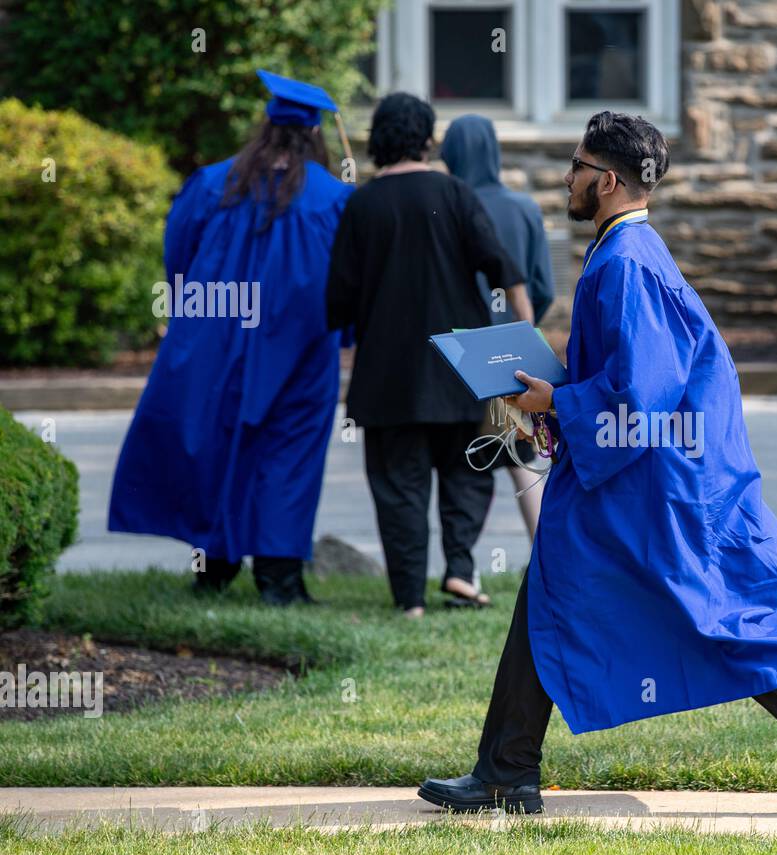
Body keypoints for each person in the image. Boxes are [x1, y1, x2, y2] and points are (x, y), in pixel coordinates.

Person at [417, 111, 777, 816]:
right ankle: (506, 768)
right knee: (583, 596)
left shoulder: (625, 264)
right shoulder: (630, 252)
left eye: (577, 167)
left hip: (649, 484)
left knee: (703, 616)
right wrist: (561, 398)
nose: (567, 179)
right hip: (650, 474)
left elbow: (638, 396)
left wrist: (554, 399)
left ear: (607, 180)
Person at [108, 70, 353, 604]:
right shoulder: (333, 199)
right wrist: (346, 332)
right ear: (316, 135)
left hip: (215, 341)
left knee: (218, 442)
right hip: (301, 348)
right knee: (286, 455)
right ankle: (279, 577)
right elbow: (349, 281)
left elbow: (178, 260)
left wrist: (193, 316)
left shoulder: (212, 183)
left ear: (263, 127)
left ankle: (213, 568)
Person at [326, 94, 533, 615]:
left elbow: (337, 302)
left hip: (388, 374)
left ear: (378, 139)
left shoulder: (362, 204)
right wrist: (524, 333)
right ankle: (461, 571)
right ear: (425, 138)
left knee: (399, 488)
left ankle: (409, 597)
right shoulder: (455, 192)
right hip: (462, 368)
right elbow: (503, 268)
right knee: (468, 475)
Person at [441, 114, 556, 539]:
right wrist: (520, 328)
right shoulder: (525, 208)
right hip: (514, 358)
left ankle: (462, 569)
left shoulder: (447, 209)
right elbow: (543, 286)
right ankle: (546, 556)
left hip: (458, 357)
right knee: (524, 462)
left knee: (465, 464)